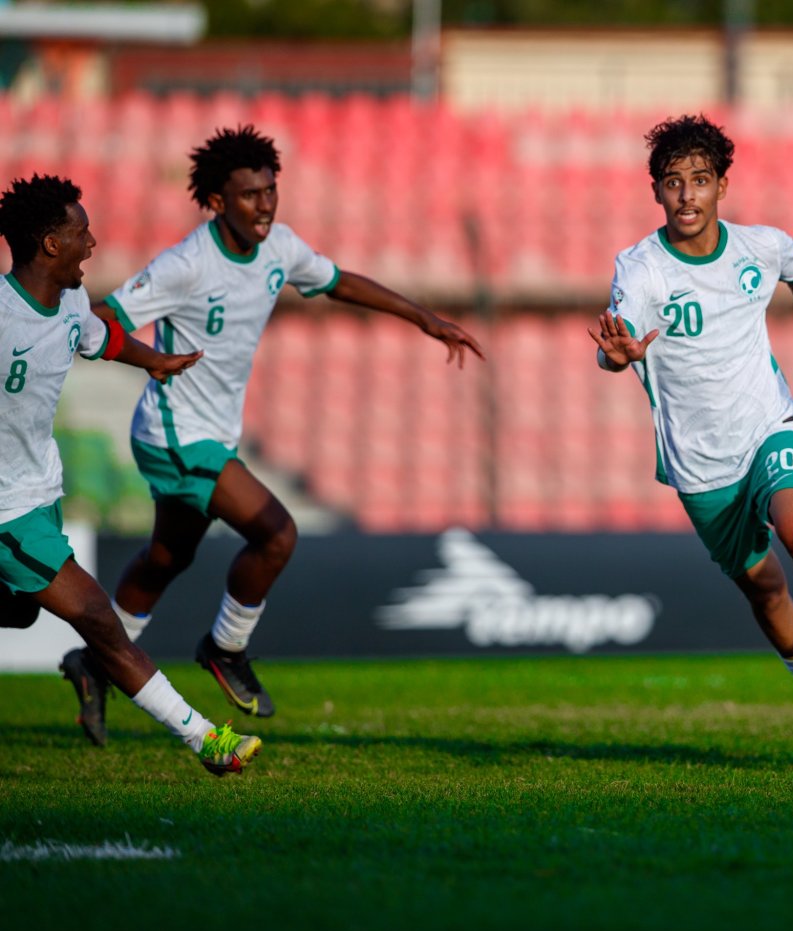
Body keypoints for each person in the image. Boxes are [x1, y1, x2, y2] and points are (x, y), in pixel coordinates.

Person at [60, 124, 485, 743]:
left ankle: (92, 661)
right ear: (217, 201)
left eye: (269, 190)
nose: (264, 204)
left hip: (215, 433)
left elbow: (338, 280)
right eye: (248, 194)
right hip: (175, 432)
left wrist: (424, 318)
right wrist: (150, 359)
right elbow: (108, 320)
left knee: (167, 558)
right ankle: (224, 648)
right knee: (277, 533)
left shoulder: (279, 249)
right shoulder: (186, 263)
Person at [588, 115, 793, 767]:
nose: (687, 197)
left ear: (722, 186)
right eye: (673, 184)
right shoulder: (641, 270)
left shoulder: (760, 247)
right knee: (763, 589)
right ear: (656, 193)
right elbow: (618, 342)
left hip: (769, 425)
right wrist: (617, 358)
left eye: (700, 181)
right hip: (700, 466)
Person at [0, 173, 261, 774]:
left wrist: (156, 362)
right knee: (97, 617)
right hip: (7, 508)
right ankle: (207, 742)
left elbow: (102, 339)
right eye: (80, 231)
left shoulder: (67, 304)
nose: (92, 242)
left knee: (20, 610)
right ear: (50, 245)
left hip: (40, 490)